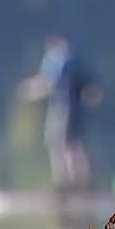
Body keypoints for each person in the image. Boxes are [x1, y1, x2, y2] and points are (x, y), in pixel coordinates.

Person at [18, 35, 102, 189]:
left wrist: (30, 90)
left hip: (63, 110)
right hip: (77, 111)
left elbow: (48, 83)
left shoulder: (57, 60)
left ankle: (65, 188)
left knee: (59, 145)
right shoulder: (76, 61)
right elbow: (91, 89)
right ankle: (84, 185)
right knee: (75, 145)